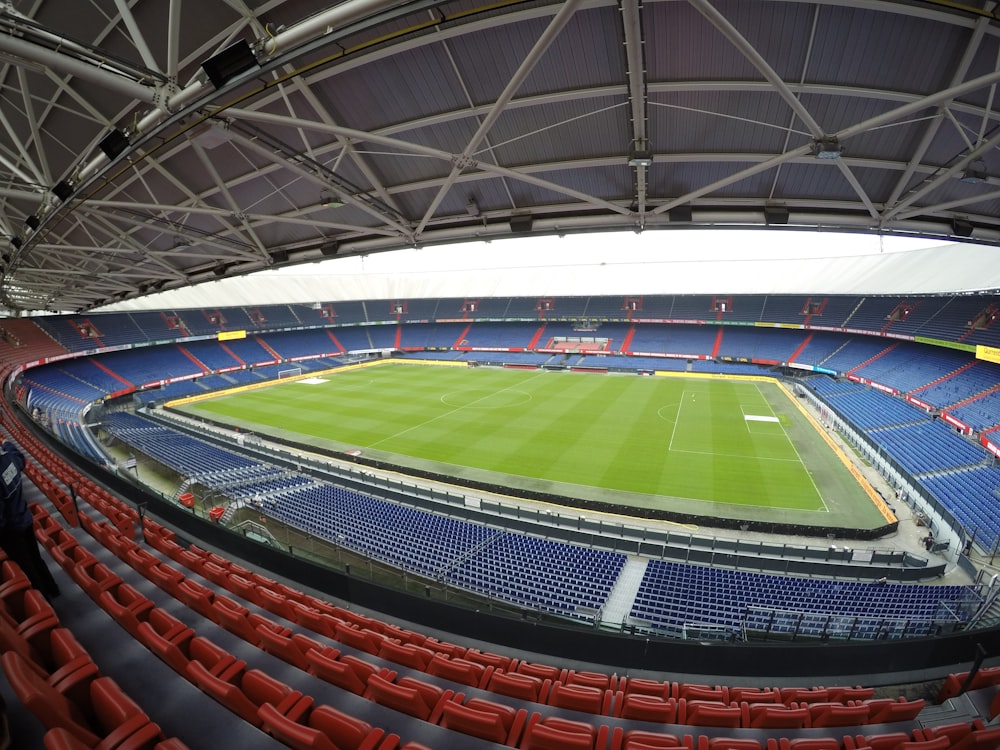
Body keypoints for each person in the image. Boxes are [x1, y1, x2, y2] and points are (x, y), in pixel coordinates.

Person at [0, 441, 60, 600]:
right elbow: (20, 460)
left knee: (27, 567)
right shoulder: (9, 459)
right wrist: (7, 444)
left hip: (12, 532)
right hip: (25, 519)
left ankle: (46, 600)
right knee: (36, 558)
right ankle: (53, 589)